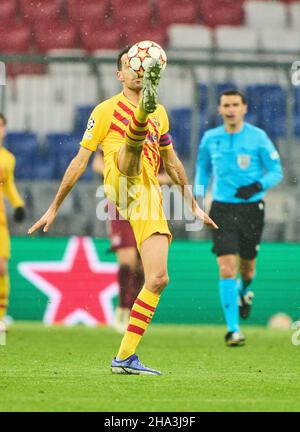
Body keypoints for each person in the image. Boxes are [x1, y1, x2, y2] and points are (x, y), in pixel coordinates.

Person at [29, 45, 217, 375]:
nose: (138, 71)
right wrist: (54, 206)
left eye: (142, 67)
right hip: (119, 179)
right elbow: (80, 160)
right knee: (126, 160)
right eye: (132, 67)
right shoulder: (104, 111)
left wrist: (191, 203)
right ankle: (136, 124)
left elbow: (171, 162)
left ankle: (124, 357)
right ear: (121, 74)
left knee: (158, 278)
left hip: (147, 194)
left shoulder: (162, 113)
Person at [194, 89, 283, 347]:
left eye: (235, 104)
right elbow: (202, 169)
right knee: (226, 268)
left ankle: (244, 293)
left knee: (248, 269)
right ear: (220, 110)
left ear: (244, 108)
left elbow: (276, 170)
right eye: (226, 105)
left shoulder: (258, 137)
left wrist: (257, 186)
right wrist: (197, 201)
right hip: (221, 208)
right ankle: (233, 330)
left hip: (251, 208)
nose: (231, 109)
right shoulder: (210, 138)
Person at [93, 150, 172, 334]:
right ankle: (122, 308)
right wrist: (120, 176)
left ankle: (132, 310)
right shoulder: (119, 132)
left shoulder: (158, 136)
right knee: (127, 260)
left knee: (142, 267)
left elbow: (169, 175)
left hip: (147, 206)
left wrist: (145, 180)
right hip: (120, 204)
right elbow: (97, 164)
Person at [0, 114, 26, 332]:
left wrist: (17, 205)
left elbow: (8, 185)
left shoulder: (8, 158)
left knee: (1, 268)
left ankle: (0, 317)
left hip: (0, 223)